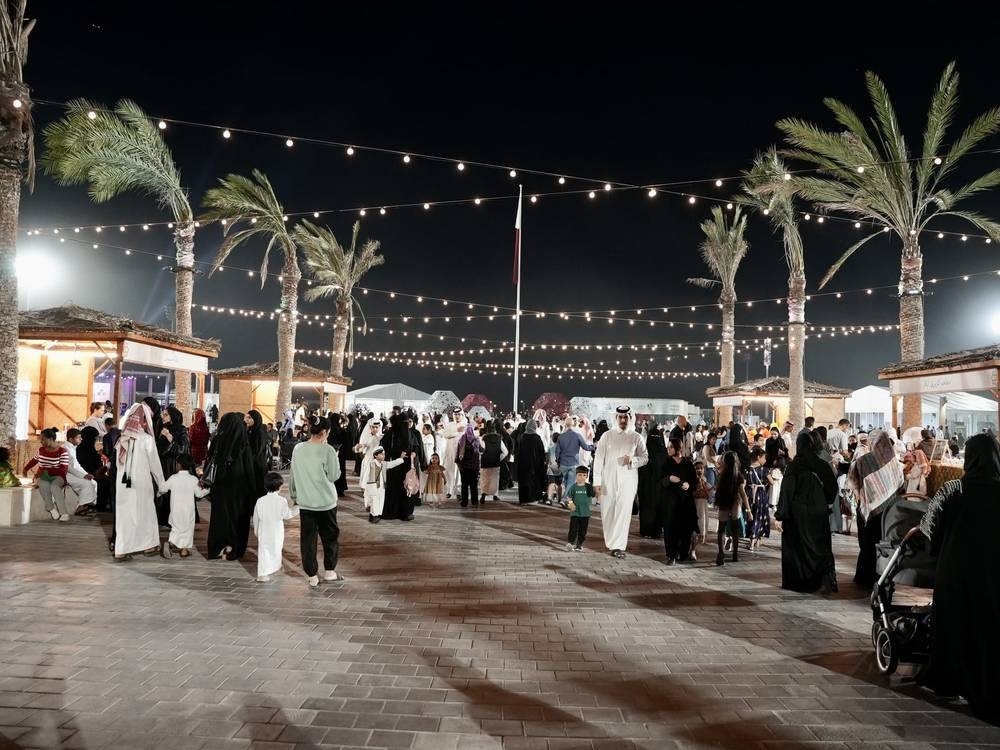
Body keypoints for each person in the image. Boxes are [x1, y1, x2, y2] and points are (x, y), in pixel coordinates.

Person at [917, 434, 1000, 723]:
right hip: (993, 576)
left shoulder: (954, 489)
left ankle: (950, 681)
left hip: (956, 573)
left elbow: (928, 527)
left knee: (955, 625)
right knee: (988, 629)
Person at [775, 432, 838, 593]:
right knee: (819, 545)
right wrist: (823, 501)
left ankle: (800, 582)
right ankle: (821, 580)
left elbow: (787, 492)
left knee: (798, 548)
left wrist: (780, 515)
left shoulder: (794, 467)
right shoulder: (822, 465)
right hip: (819, 512)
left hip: (798, 515)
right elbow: (832, 488)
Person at [290, 414, 344, 587]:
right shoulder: (328, 450)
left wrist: (294, 495)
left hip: (305, 502)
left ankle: (312, 575)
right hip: (326, 502)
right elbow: (334, 476)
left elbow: (293, 474)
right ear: (325, 432)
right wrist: (335, 457)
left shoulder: (298, 448)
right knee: (330, 537)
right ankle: (330, 572)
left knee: (308, 540)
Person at [593, 405, 648, 559]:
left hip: (628, 481)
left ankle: (618, 546)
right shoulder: (607, 436)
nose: (623, 420)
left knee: (623, 513)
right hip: (607, 480)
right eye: (620, 417)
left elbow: (645, 458)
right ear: (616, 418)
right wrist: (596, 482)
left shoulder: (636, 437)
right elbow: (598, 459)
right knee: (608, 512)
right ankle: (611, 542)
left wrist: (632, 460)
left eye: (626, 417)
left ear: (630, 418)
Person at [112, 404, 166, 561]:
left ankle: (121, 550)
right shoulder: (147, 439)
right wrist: (161, 484)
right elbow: (155, 464)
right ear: (143, 420)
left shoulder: (122, 439)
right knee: (146, 513)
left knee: (125, 516)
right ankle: (149, 546)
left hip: (123, 484)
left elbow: (117, 464)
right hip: (142, 483)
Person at [205, 412, 256, 561]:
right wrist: (252, 488)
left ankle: (217, 548)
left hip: (220, 485)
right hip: (238, 487)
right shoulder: (242, 440)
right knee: (236, 518)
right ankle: (233, 548)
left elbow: (210, 459)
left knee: (219, 517)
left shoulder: (217, 439)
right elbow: (248, 466)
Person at [156, 453, 209, 558]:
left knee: (176, 529)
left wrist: (158, 491)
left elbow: (162, 488)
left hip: (175, 510)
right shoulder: (193, 479)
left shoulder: (173, 478)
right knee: (188, 530)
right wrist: (208, 490)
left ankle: (170, 543)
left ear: (179, 465)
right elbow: (199, 494)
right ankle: (184, 550)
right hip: (188, 511)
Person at [252, 471, 298, 582]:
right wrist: (297, 507)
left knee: (264, 552)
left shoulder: (260, 500)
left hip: (263, 531)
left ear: (265, 486)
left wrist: (256, 530)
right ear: (280, 487)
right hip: (276, 532)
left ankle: (262, 574)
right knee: (276, 550)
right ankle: (275, 568)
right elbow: (287, 515)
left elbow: (256, 518)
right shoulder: (281, 500)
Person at [661, 437, 697, 565]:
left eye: (671, 447)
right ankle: (671, 555)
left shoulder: (688, 464)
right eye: (668, 447)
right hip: (670, 501)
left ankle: (683, 553)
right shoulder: (666, 463)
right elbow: (661, 481)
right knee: (670, 528)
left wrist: (689, 485)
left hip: (685, 501)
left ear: (678, 448)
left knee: (685, 528)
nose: (668, 449)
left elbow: (694, 481)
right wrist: (669, 478)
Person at [23, 428, 71, 521]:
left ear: (51, 439)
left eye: (43, 439)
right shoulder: (41, 450)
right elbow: (34, 460)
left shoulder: (62, 451)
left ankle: (64, 513)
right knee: (43, 485)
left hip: (58, 476)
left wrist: (45, 471)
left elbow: (63, 470)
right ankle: (51, 509)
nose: (41, 442)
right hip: (43, 476)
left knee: (54, 487)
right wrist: (25, 469)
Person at [714, 451, 751, 566]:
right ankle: (735, 553)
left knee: (721, 529)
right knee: (735, 529)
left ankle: (721, 553)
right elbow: (743, 494)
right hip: (735, 503)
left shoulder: (721, 474)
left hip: (723, 503)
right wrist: (748, 510)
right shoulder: (738, 475)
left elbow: (718, 490)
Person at [363, 447, 409, 522]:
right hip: (373, 486)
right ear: (375, 455)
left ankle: (377, 515)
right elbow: (366, 475)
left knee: (380, 501)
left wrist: (401, 458)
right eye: (381, 454)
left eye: (384, 454)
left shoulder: (383, 464)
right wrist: (364, 486)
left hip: (381, 487)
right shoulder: (371, 464)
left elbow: (392, 464)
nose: (383, 456)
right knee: (374, 501)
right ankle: (374, 516)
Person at [637, 423, 667, 538]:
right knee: (657, 508)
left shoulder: (644, 453)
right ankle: (656, 531)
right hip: (658, 488)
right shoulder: (663, 454)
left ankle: (646, 530)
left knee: (646, 508)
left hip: (646, 487)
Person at [63, 428, 98, 516]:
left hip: (73, 473)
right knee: (87, 484)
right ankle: (81, 507)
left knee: (94, 482)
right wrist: (83, 476)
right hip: (66, 474)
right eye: (78, 438)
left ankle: (89, 506)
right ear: (71, 439)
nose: (81, 439)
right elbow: (68, 467)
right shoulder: (65, 448)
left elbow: (77, 465)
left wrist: (86, 474)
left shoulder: (73, 448)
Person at [745, 447, 771, 550]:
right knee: (760, 516)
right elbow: (772, 482)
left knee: (752, 516)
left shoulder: (747, 469)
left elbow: (745, 484)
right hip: (761, 494)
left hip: (750, 495)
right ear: (758, 457)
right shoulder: (764, 470)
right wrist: (765, 483)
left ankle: (751, 541)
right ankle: (757, 540)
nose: (765, 460)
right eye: (764, 458)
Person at [564, 466, 595, 551]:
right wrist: (571, 505)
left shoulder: (588, 487)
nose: (582, 477)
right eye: (580, 475)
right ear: (576, 475)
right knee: (573, 529)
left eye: (584, 475)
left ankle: (579, 544)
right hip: (575, 513)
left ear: (587, 476)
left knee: (583, 531)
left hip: (585, 514)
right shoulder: (573, 487)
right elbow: (569, 498)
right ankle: (570, 543)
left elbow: (594, 495)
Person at [516, 419, 546, 504]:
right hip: (534, 463)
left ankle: (524, 499)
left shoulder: (522, 437)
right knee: (533, 481)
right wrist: (542, 461)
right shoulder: (537, 437)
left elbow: (518, 450)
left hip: (523, 463)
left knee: (524, 481)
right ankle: (532, 498)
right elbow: (541, 451)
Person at [479, 420, 508, 502]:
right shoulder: (499, 439)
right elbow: (505, 451)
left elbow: (481, 451)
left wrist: (480, 459)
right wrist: (499, 458)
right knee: (495, 479)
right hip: (495, 462)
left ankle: (483, 495)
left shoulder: (484, 438)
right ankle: (495, 495)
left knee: (484, 479)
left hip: (485, 461)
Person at [456, 423, 482, 508]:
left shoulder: (462, 439)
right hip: (474, 466)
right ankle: (474, 501)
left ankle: (464, 502)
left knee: (464, 485)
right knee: (473, 485)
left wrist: (457, 461)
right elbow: (481, 450)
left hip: (464, 466)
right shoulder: (476, 440)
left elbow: (458, 451)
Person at [691, 459, 713, 545]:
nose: (699, 470)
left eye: (701, 468)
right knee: (696, 520)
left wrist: (702, 483)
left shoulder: (705, 481)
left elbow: (708, 495)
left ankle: (701, 537)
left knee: (702, 520)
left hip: (703, 505)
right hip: (695, 504)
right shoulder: (692, 481)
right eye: (697, 468)